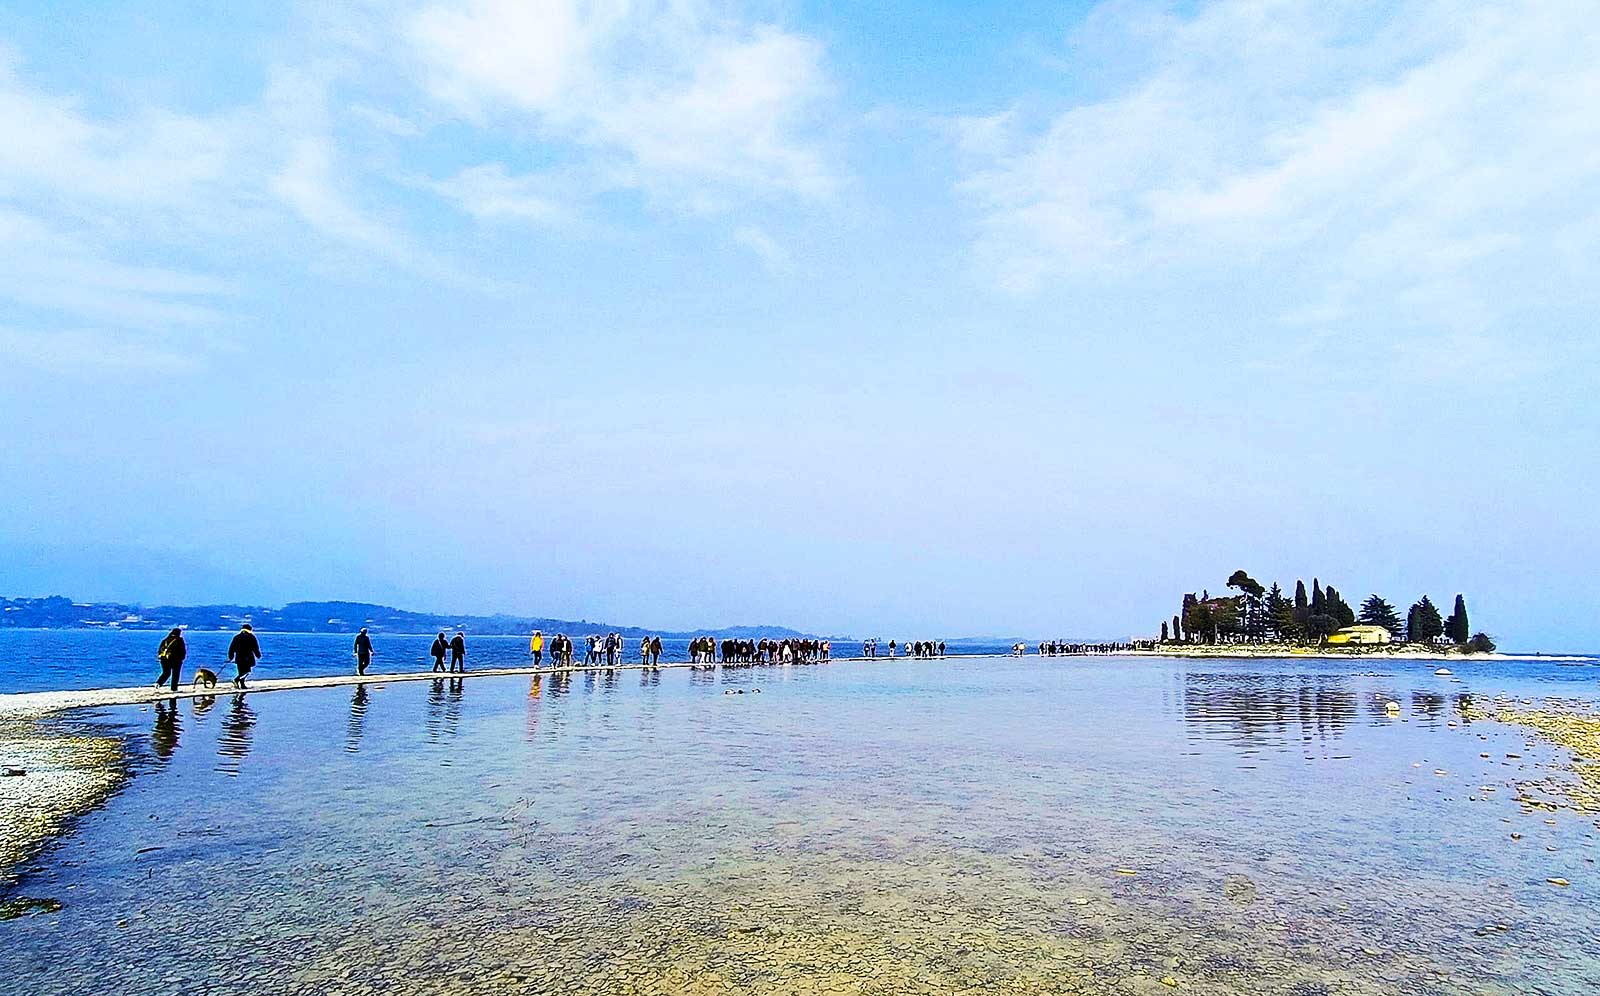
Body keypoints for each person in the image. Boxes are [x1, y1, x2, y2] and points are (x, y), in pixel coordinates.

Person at [227, 623, 261, 689]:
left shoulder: (236, 637)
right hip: (248, 657)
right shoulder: (252, 637)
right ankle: (237, 680)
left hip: (239, 657)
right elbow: (255, 647)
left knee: (241, 671)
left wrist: (231, 656)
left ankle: (242, 684)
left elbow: (231, 648)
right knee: (247, 671)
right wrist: (258, 655)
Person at [156, 627, 187, 692]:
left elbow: (160, 650)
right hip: (176, 660)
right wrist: (182, 658)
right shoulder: (179, 640)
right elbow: (182, 650)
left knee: (166, 673)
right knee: (175, 674)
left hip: (164, 659)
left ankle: (158, 683)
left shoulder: (165, 640)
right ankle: (174, 688)